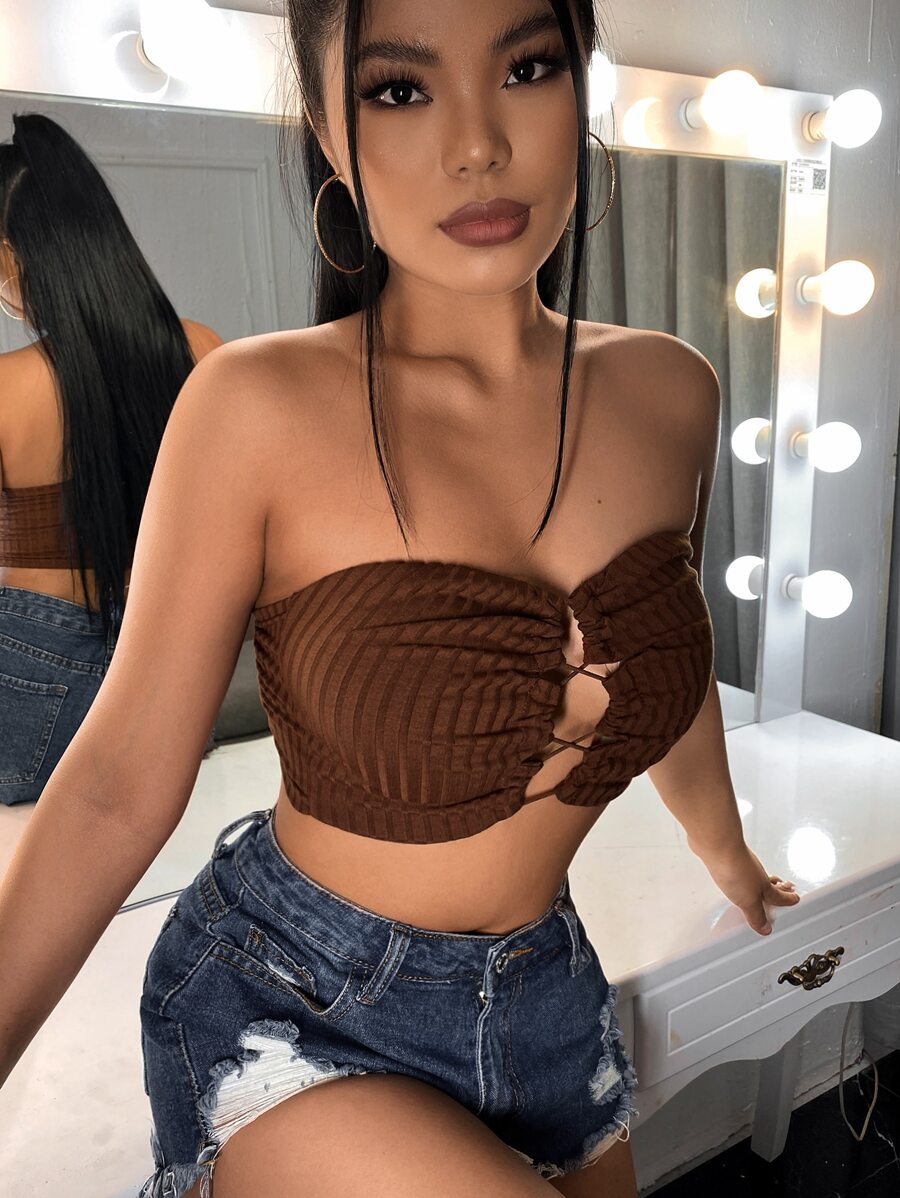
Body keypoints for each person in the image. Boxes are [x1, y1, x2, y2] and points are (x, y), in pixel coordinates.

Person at [0, 3, 802, 1196]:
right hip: (296, 1004)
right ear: (328, 130)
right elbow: (116, 784)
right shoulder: (252, 405)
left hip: (545, 1000)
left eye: (528, 66)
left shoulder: (672, 393)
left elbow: (658, 651)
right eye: (398, 89)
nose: (477, 144)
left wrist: (722, 845)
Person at [0, 112, 223, 805]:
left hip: (32, 656)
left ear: (9, 256)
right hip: (167, 654)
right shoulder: (201, 350)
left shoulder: (6, 388)